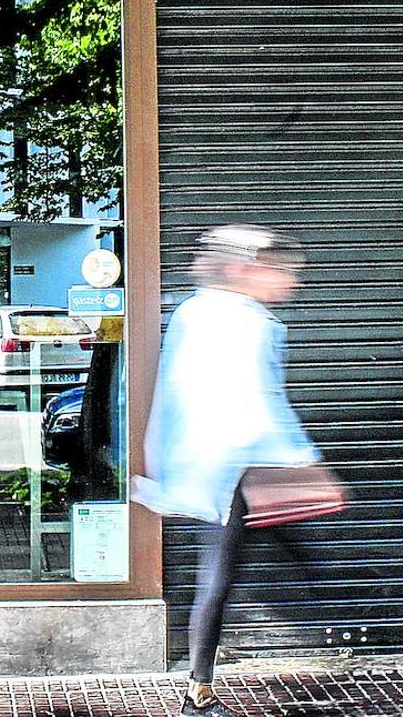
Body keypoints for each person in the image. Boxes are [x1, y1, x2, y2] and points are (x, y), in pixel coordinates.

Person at [133, 225, 318, 717]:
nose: (289, 285)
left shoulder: (195, 311)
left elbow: (175, 397)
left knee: (228, 571)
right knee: (222, 575)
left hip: (209, 466)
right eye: (284, 273)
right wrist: (307, 466)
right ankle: (199, 691)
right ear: (250, 269)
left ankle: (202, 684)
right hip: (237, 469)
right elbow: (262, 402)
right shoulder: (248, 321)